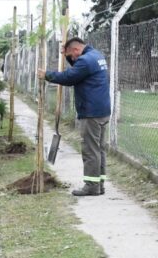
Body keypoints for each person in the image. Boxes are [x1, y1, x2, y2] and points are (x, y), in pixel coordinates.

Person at [37, 37, 111, 196]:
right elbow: (78, 69)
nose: (72, 59)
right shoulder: (96, 55)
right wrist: (66, 55)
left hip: (91, 112)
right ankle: (99, 184)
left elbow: (69, 77)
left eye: (72, 56)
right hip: (102, 110)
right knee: (99, 149)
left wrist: (47, 75)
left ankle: (91, 185)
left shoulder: (84, 61)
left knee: (90, 150)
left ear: (77, 50)